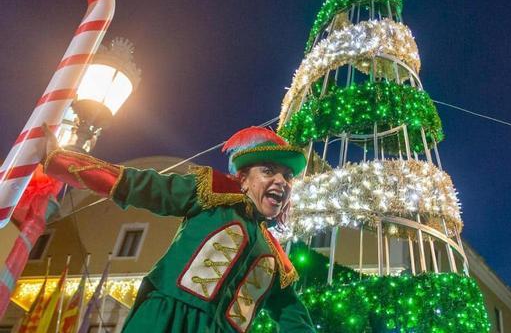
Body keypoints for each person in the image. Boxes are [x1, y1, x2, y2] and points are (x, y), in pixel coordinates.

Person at [39, 125, 316, 332]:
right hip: (164, 320)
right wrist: (60, 161)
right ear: (242, 179)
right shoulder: (212, 196)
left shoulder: (276, 259)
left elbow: (294, 315)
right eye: (268, 171)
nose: (281, 182)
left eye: (288, 177)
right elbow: (140, 186)